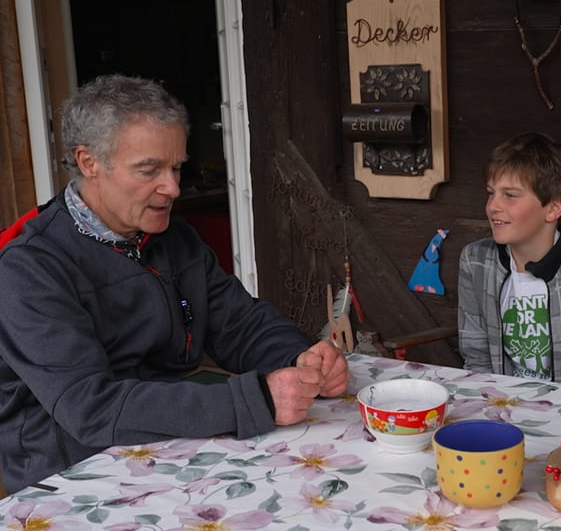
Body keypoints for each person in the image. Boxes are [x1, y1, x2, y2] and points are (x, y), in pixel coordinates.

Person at [0, 75, 349, 494]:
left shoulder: (177, 241)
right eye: (150, 170)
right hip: (73, 479)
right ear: (89, 162)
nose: (173, 187)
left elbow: (240, 325)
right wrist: (255, 400)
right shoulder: (27, 269)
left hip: (172, 451)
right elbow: (91, 409)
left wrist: (301, 359)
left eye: (176, 167)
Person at [458, 132, 561, 385]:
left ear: (554, 208)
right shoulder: (475, 261)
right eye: (491, 193)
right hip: (498, 402)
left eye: (510, 195)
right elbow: (476, 357)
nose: (493, 206)